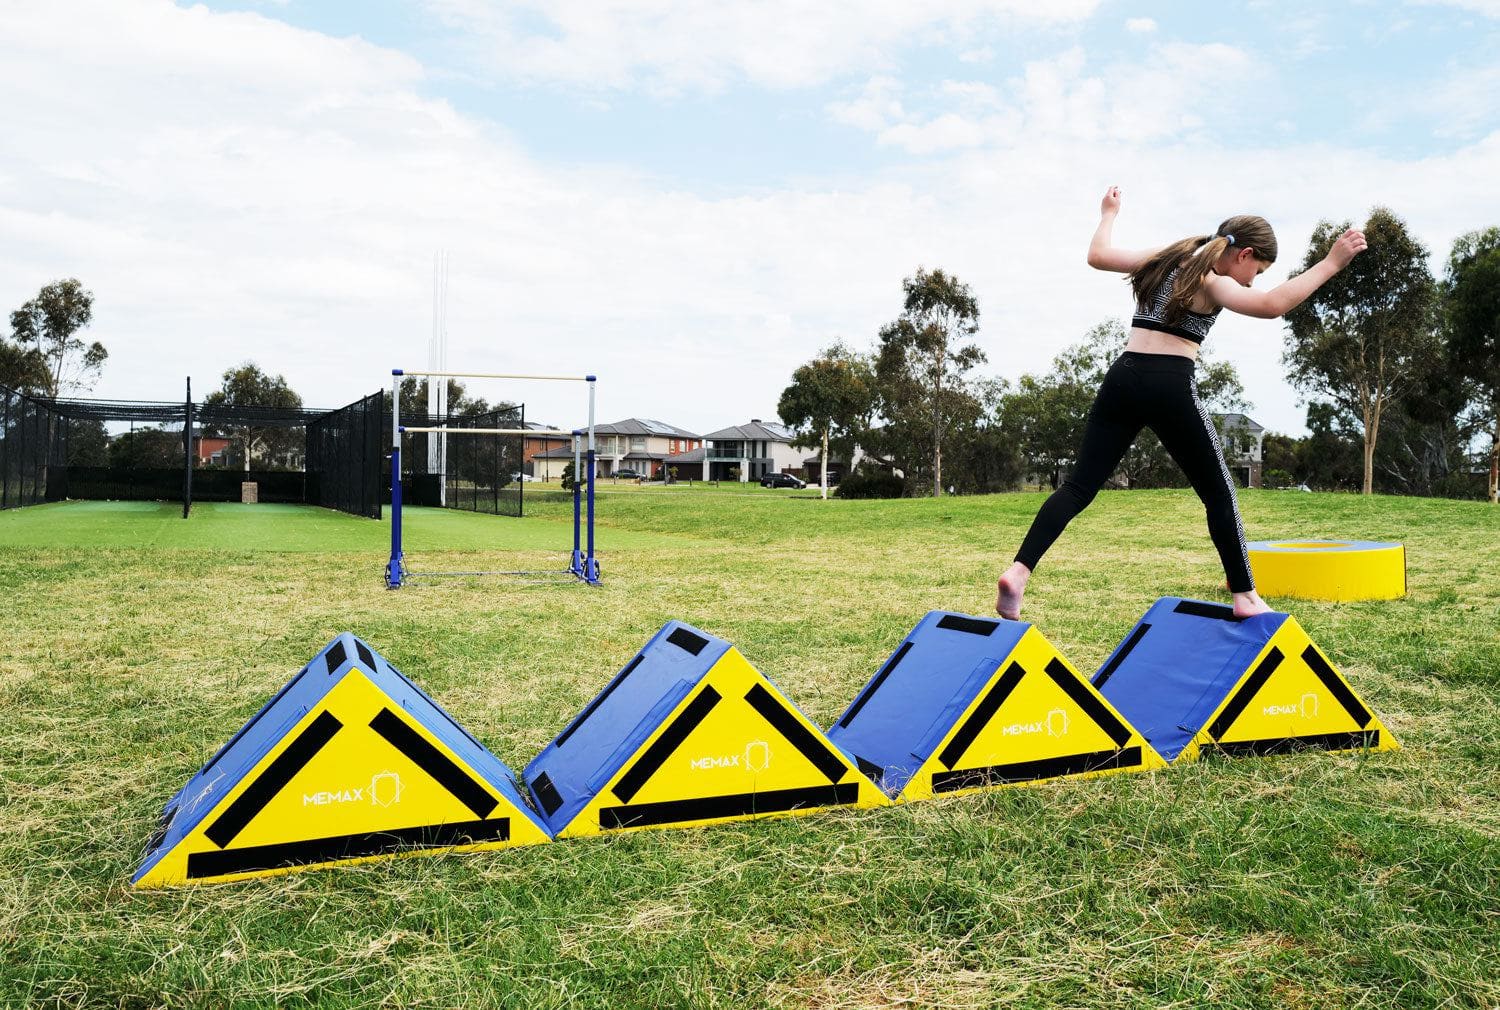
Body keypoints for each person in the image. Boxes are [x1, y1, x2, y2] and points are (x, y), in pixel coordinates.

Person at [996, 186, 1367, 621]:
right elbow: (1271, 306)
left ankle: (1019, 572)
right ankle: (1245, 596)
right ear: (1243, 254)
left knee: (1078, 487)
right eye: (1258, 269)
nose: (1252, 281)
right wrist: (1332, 262)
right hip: (1169, 382)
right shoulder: (1215, 280)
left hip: (1123, 375)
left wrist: (1108, 213)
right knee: (1220, 491)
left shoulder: (1168, 256)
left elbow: (1099, 256)